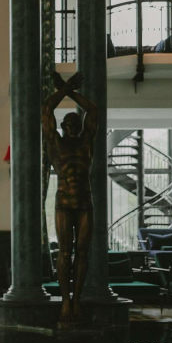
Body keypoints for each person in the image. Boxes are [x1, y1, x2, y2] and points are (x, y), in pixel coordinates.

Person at [42, 71, 98, 324]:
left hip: (85, 203)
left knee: (83, 253)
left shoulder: (86, 142)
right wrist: (64, 90)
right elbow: (46, 109)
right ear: (63, 127)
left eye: (77, 123)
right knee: (64, 254)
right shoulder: (55, 143)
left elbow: (93, 111)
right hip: (64, 203)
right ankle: (66, 300)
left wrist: (70, 91)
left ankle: (77, 300)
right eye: (70, 124)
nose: (74, 127)